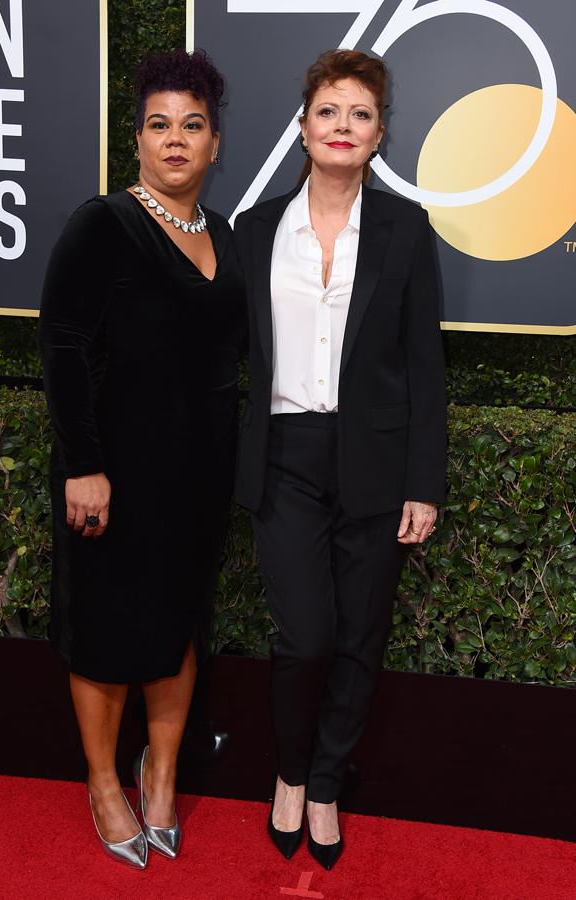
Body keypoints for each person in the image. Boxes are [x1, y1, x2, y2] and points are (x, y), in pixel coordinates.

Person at [233, 49, 446, 870]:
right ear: (302, 127)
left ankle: (323, 785)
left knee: (361, 636)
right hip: (284, 456)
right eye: (329, 111)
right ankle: (289, 770)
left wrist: (424, 482)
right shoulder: (256, 231)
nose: (343, 126)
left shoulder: (403, 230)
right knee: (308, 637)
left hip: (375, 462)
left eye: (360, 114)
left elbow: (424, 363)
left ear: (379, 134)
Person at [39, 48, 245, 870]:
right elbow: (60, 346)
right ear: (137, 141)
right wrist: (83, 463)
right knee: (105, 637)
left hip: (195, 483)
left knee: (175, 630)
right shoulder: (105, 222)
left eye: (191, 126)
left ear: (215, 144)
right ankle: (102, 781)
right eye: (159, 125)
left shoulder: (222, 235)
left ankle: (159, 775)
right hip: (112, 479)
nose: (174, 140)